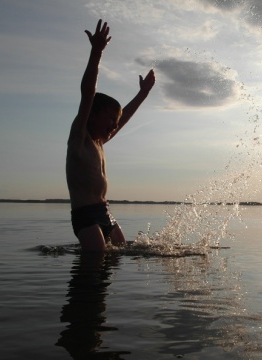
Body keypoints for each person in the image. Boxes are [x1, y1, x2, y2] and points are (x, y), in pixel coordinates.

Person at [66, 19, 155, 251]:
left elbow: (123, 119)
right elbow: (87, 94)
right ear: (93, 115)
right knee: (96, 258)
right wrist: (96, 53)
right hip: (85, 214)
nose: (113, 126)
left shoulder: (99, 141)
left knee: (119, 255)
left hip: (105, 212)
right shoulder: (80, 138)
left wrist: (142, 95)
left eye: (115, 123)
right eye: (110, 120)